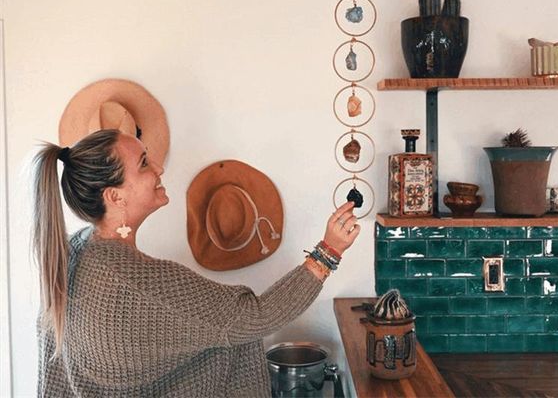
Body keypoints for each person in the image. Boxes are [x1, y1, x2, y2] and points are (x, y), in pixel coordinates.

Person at [33, 129, 361, 397]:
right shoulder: (143, 283)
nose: (159, 168)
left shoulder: (71, 253)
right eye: (144, 163)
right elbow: (255, 318)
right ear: (115, 196)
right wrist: (328, 251)